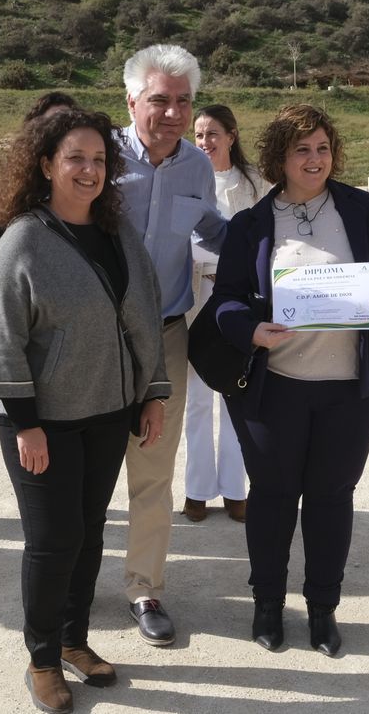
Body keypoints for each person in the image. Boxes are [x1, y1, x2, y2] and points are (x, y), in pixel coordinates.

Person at [208, 103, 369, 656]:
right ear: (280, 155)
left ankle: (323, 611)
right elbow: (224, 300)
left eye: (323, 148)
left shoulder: (362, 210)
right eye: (303, 149)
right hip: (274, 387)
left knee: (330, 499)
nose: (315, 158)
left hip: (352, 388)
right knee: (273, 499)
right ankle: (268, 608)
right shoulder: (251, 224)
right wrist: (251, 330)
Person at [0, 109, 169, 714]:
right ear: (46, 166)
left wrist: (152, 394)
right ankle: (40, 661)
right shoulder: (24, 238)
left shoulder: (118, 234)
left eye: (98, 160)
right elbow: (0, 338)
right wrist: (25, 421)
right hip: (45, 421)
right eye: (75, 159)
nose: (89, 170)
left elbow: (145, 315)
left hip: (109, 412)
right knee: (52, 540)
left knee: (88, 536)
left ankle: (73, 640)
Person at [114, 44, 226, 645]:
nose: (174, 112)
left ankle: (144, 588)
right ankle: (72, 583)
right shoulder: (97, 157)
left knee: (154, 471)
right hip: (98, 343)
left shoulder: (197, 168)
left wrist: (284, 259)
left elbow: (211, 230)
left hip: (165, 338)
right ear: (131, 100)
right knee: (87, 467)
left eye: (184, 101)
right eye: (160, 100)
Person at [183, 104, 269, 523]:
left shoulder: (257, 185)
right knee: (197, 398)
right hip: (193, 296)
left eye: (213, 134)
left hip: (240, 302)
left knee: (235, 392)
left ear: (232, 136)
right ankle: (197, 489)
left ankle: (236, 488)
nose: (204, 142)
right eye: (198, 135)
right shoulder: (184, 176)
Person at [0, 91, 76, 250]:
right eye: (54, 121)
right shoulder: (18, 185)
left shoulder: (87, 177)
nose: (62, 128)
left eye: (69, 120)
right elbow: (0, 245)